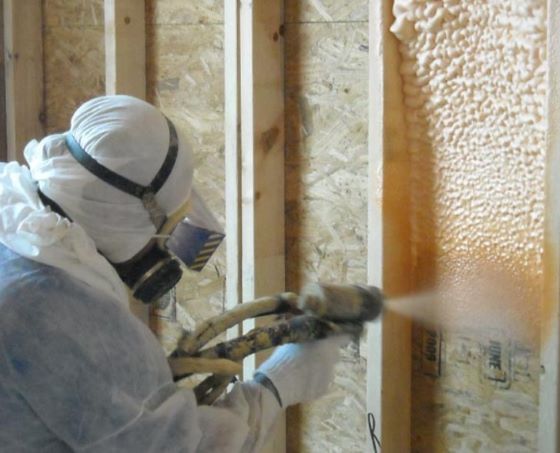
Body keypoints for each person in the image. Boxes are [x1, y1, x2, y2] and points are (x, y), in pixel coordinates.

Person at [0, 95, 347, 452]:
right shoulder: (63, 316)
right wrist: (278, 384)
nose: (168, 250)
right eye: (171, 228)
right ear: (128, 218)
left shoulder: (18, 227)